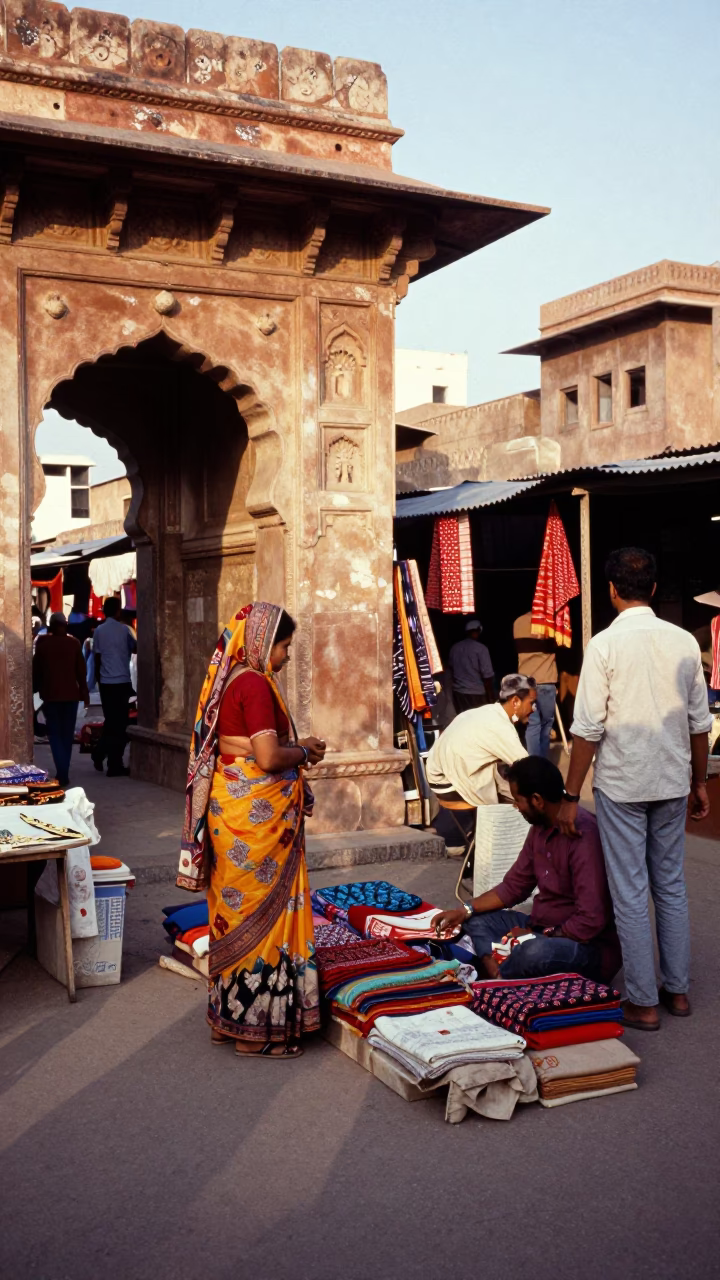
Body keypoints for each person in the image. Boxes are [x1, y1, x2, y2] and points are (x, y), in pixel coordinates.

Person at [558, 547, 712, 1031]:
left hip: (623, 785)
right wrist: (700, 782)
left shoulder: (604, 645)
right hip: (670, 780)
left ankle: (643, 1001)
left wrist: (569, 796)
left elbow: (586, 730)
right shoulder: (685, 642)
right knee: (669, 886)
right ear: (651, 589)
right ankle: (678, 992)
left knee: (630, 892)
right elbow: (699, 724)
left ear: (610, 590)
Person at [177, 601, 326, 1058]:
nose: (283, 657)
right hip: (257, 824)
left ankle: (227, 1022)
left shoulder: (229, 679)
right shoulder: (257, 685)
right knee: (266, 922)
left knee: (230, 914)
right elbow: (265, 758)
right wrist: (303, 752)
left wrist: (289, 746)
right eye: (283, 646)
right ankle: (256, 1032)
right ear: (264, 643)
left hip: (230, 815)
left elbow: (228, 742)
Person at [431, 756, 621, 982]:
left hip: (582, 947)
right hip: (539, 928)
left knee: (532, 952)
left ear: (537, 800)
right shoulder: (540, 829)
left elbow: (590, 920)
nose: (515, 806)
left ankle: (500, 976)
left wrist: (538, 937)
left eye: (518, 800)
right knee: (476, 921)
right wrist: (465, 910)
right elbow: (514, 887)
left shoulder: (583, 835)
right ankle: (498, 972)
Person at [426, 673, 536, 807]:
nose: (534, 709)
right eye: (531, 703)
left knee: (507, 778)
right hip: (447, 784)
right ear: (515, 701)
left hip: (436, 777)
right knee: (529, 795)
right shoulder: (499, 726)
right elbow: (528, 768)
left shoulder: (487, 711)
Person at [32, 611, 89, 788]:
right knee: (66, 734)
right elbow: (81, 672)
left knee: (55, 734)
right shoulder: (73, 644)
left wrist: (34, 692)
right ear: (65, 626)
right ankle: (63, 772)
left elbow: (36, 672)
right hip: (70, 695)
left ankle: (62, 771)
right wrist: (85, 693)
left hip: (51, 696)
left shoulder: (42, 645)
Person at [91, 597, 136, 776]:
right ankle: (110, 760)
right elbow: (135, 648)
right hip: (122, 681)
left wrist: (98, 680)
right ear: (118, 611)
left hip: (106, 683)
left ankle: (104, 756)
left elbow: (97, 657)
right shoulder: (124, 630)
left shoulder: (99, 631)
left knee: (112, 721)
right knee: (119, 723)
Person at [513, 609, 558, 757]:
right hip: (546, 681)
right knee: (546, 726)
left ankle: (533, 762)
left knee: (533, 725)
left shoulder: (518, 623)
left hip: (526, 683)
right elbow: (561, 644)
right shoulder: (549, 623)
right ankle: (542, 763)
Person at [448, 619, 495, 712]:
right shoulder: (481, 649)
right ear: (479, 630)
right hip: (476, 693)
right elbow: (487, 676)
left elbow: (451, 669)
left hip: (459, 693)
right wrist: (491, 698)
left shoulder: (455, 647)